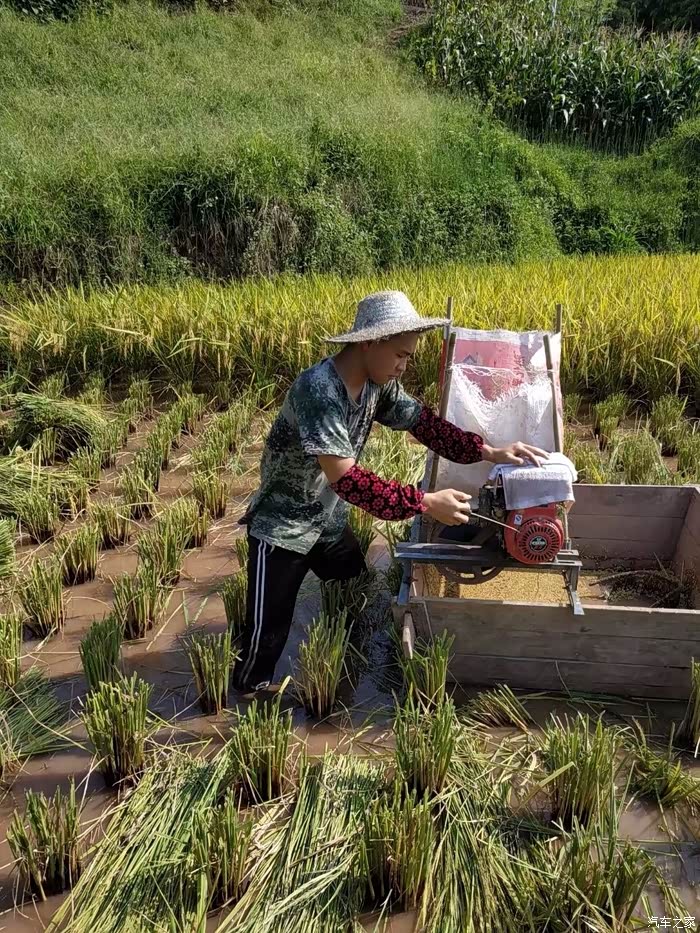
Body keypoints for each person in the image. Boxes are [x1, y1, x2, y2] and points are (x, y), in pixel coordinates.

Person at [232, 291, 547, 693]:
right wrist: (425, 503)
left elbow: (424, 425)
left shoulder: (377, 386)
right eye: (399, 354)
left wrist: (486, 450)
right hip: (283, 527)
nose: (403, 365)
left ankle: (340, 674)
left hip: (326, 520)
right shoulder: (319, 390)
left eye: (409, 357)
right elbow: (346, 479)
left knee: (352, 593)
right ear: (368, 342)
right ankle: (248, 706)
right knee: (265, 641)